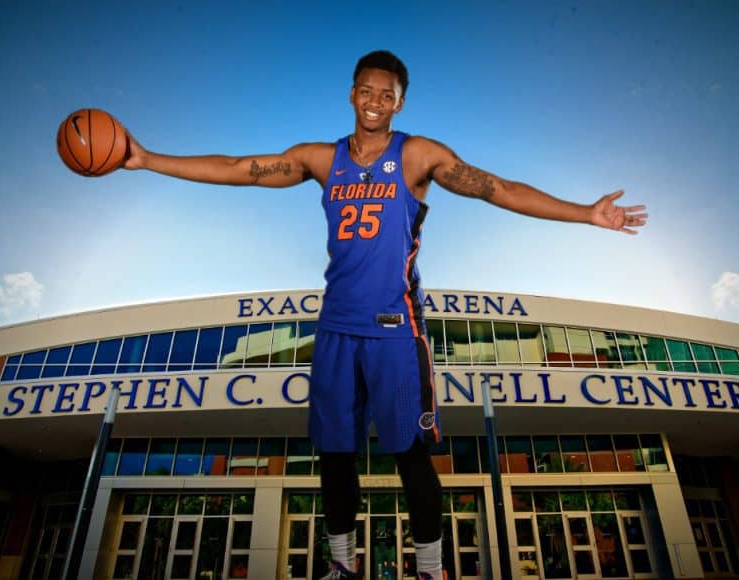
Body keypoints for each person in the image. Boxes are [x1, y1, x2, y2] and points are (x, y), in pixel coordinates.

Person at [122, 50, 647, 580]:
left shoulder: (418, 155)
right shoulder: (323, 160)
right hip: (335, 330)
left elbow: (500, 190)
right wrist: (148, 159)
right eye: (367, 91)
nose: (375, 102)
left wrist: (586, 213)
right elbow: (242, 170)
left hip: (396, 331)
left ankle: (430, 569)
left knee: (410, 455)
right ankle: (343, 566)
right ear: (352, 94)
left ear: (400, 101)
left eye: (387, 94)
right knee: (334, 455)